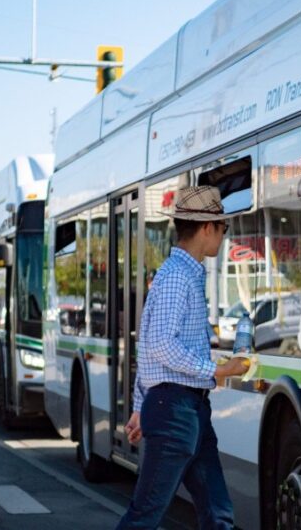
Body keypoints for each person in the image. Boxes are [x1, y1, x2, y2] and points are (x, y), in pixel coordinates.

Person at [116, 186, 250, 530]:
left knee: (218, 514)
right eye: (223, 228)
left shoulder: (182, 274)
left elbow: (148, 345)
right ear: (206, 227)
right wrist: (218, 369)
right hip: (175, 411)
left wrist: (140, 406)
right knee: (145, 515)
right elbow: (161, 344)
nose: (224, 235)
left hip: (187, 409)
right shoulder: (177, 277)